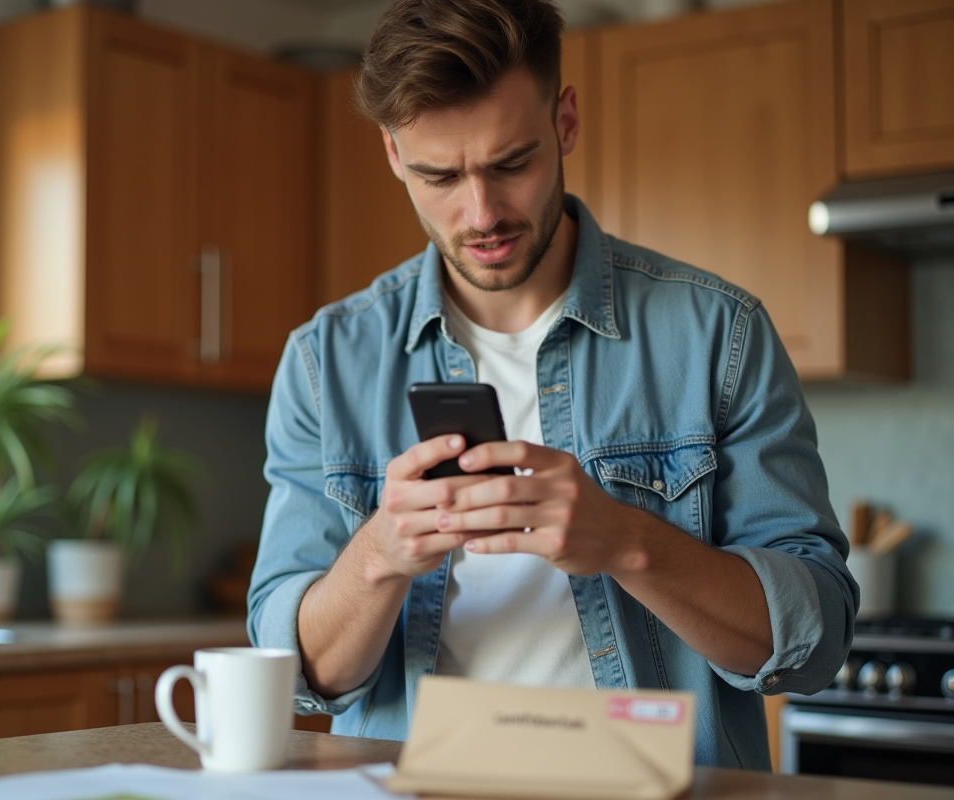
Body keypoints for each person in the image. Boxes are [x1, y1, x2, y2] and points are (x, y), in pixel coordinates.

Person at [247, 0, 856, 770]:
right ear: (394, 155)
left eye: (511, 164)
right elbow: (299, 675)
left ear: (564, 122)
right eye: (439, 175)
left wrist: (627, 542)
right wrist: (379, 555)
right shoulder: (324, 361)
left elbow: (815, 642)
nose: (482, 214)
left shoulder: (719, 335)